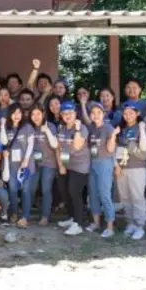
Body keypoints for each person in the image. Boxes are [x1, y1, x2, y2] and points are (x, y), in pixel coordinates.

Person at [116, 102, 146, 240]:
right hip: (122, 168)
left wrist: (142, 129)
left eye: (131, 113)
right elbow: (117, 150)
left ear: (137, 114)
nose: (127, 116)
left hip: (137, 168)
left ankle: (140, 225)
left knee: (137, 197)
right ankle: (130, 223)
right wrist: (117, 166)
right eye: (125, 113)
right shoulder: (122, 130)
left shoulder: (142, 128)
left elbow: (144, 148)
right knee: (125, 197)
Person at [56, 101, 90, 236]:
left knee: (74, 192)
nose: (67, 116)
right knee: (65, 192)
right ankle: (72, 218)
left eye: (70, 113)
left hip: (80, 166)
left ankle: (79, 224)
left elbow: (76, 146)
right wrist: (61, 165)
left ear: (75, 113)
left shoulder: (82, 128)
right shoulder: (61, 129)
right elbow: (58, 148)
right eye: (64, 113)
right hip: (66, 164)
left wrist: (76, 129)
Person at [0, 103, 35, 228]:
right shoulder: (8, 128)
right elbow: (4, 142)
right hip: (11, 165)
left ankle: (25, 217)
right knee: (13, 190)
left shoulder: (27, 127)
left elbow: (31, 144)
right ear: (10, 114)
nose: (16, 115)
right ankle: (14, 213)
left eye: (19, 112)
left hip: (25, 165)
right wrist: (2, 126)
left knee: (25, 191)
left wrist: (26, 160)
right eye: (14, 113)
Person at [86, 103, 118, 238]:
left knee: (104, 194)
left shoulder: (108, 128)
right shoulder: (90, 128)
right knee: (93, 194)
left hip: (105, 163)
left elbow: (111, 150)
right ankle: (96, 223)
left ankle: (110, 227)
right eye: (93, 113)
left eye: (98, 112)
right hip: (92, 163)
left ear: (103, 114)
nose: (96, 115)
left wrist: (113, 136)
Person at [29, 105, 59, 226]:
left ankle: (45, 216)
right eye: (33, 114)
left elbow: (55, 145)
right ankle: (27, 212)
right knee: (31, 188)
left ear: (43, 114)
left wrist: (46, 131)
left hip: (49, 163)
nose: (35, 117)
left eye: (38, 114)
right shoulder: (29, 127)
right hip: (33, 163)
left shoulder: (50, 126)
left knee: (46, 189)